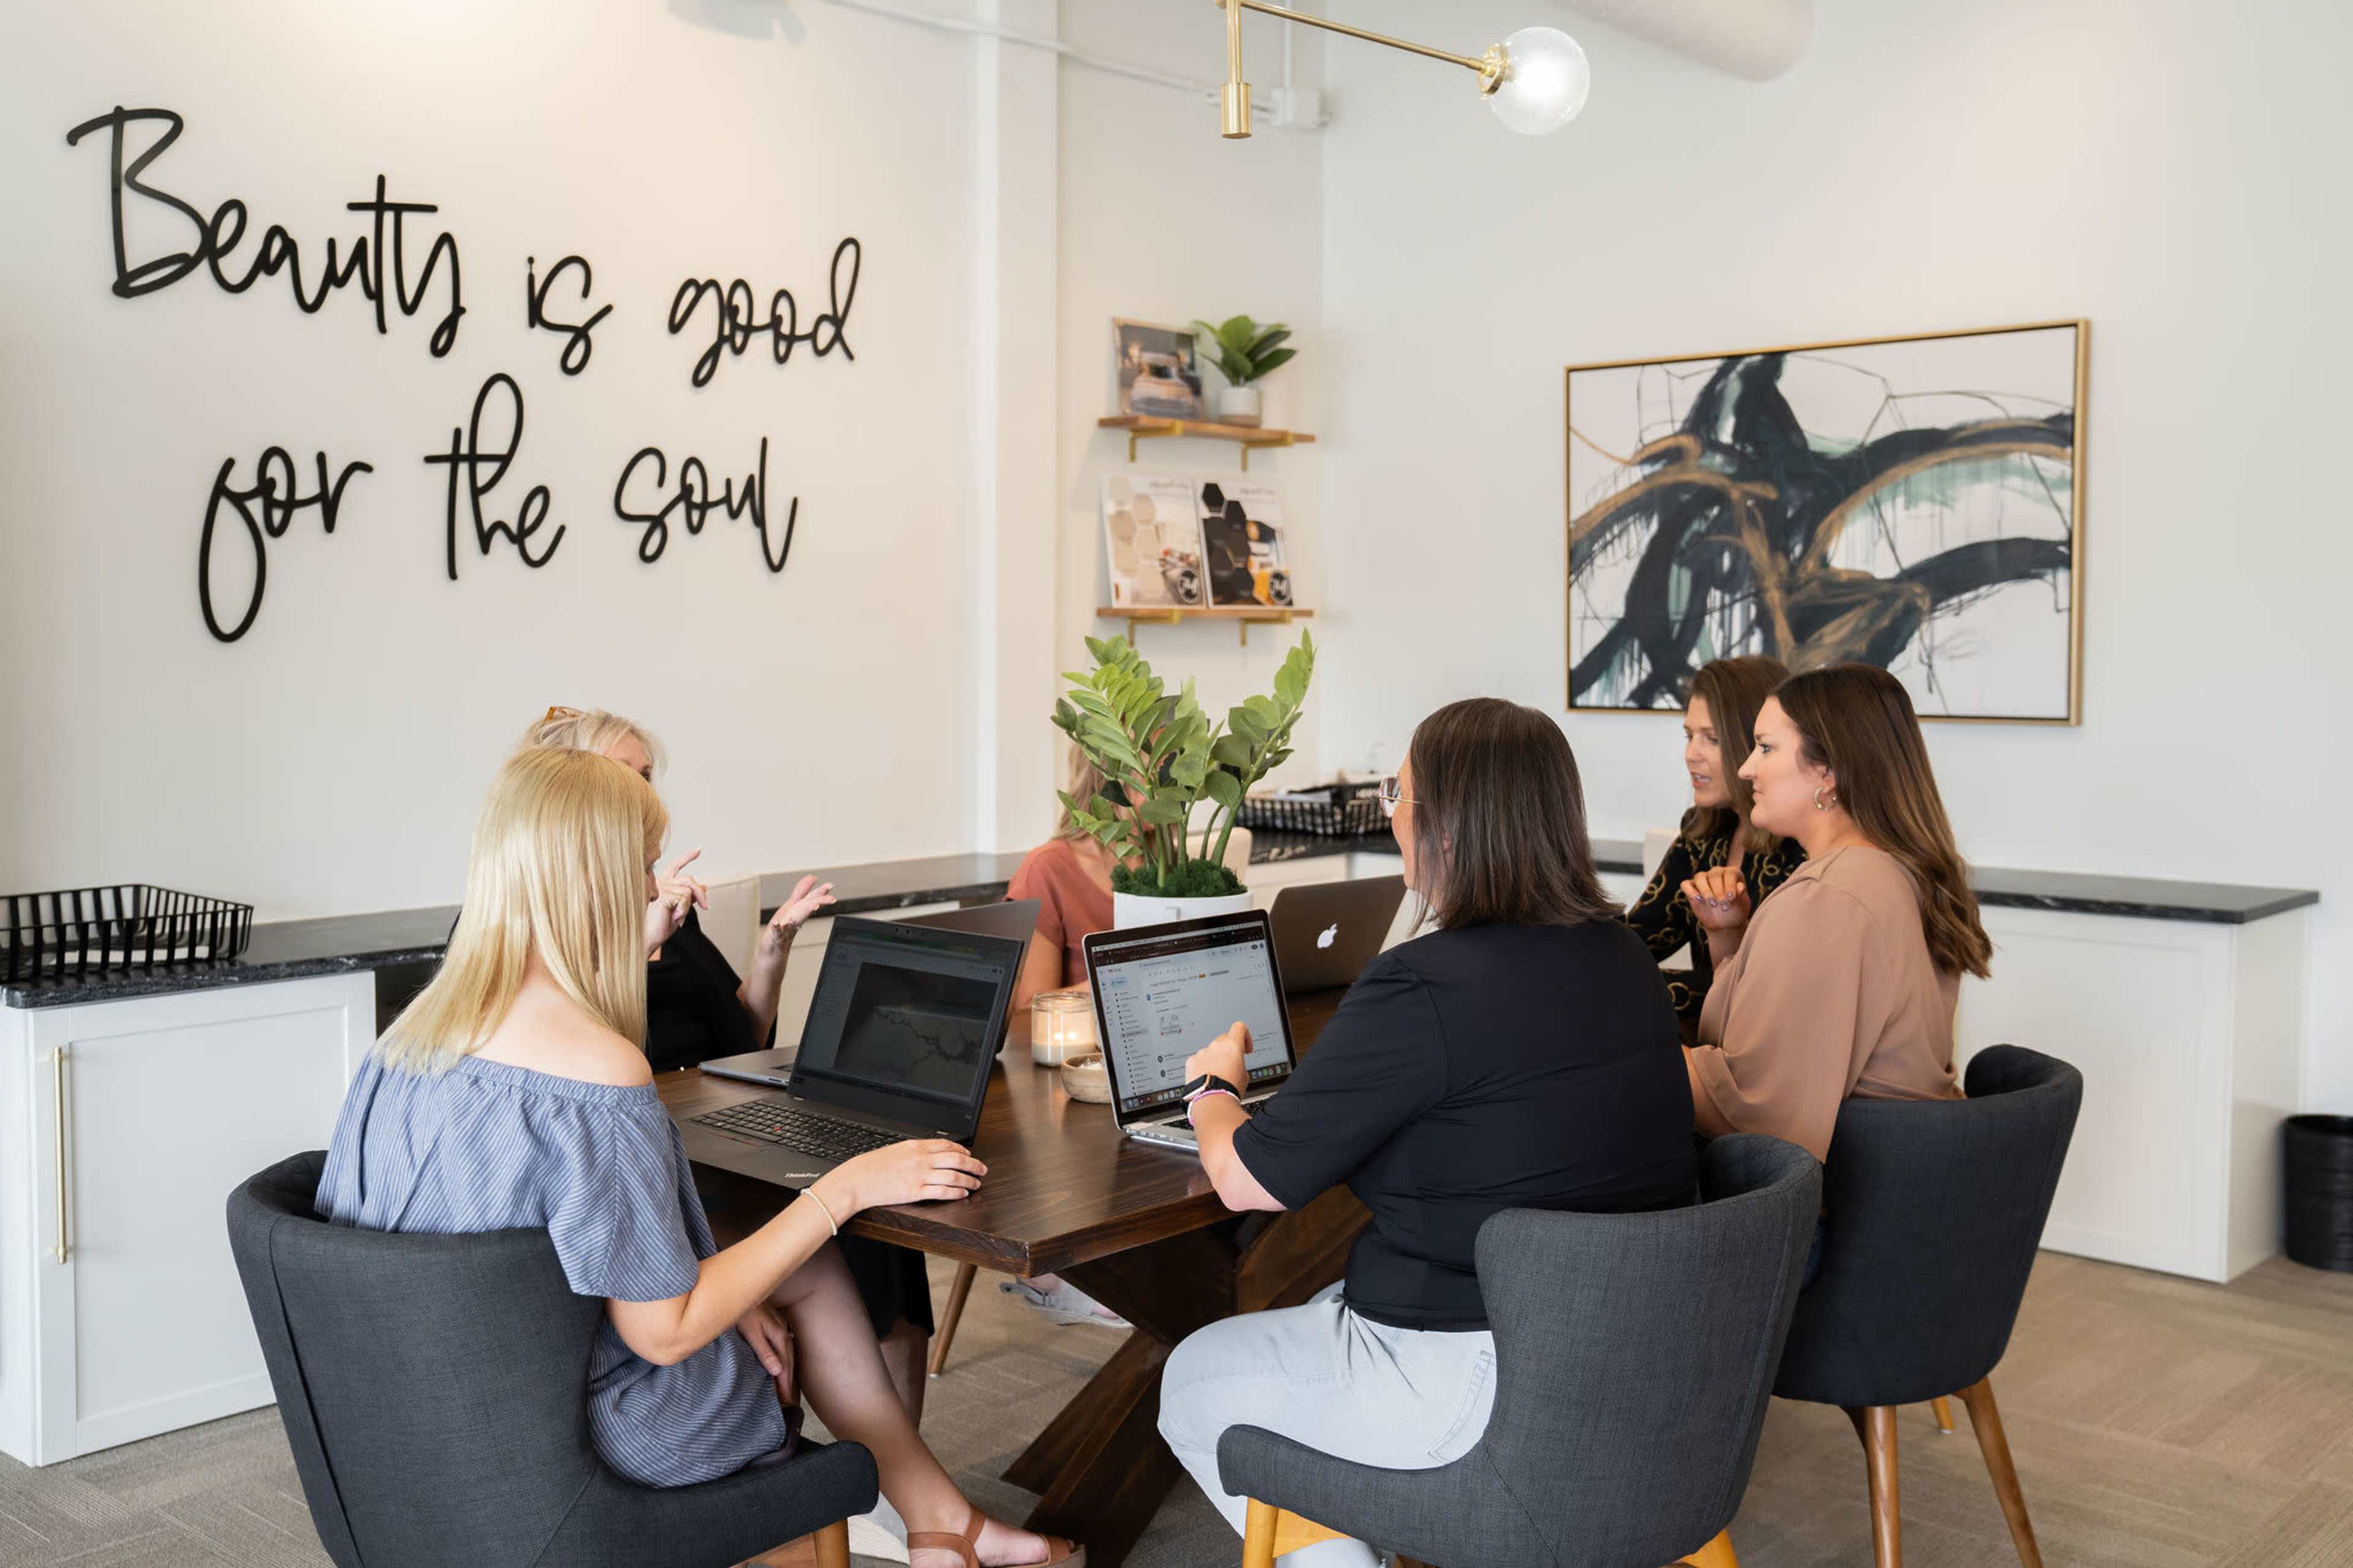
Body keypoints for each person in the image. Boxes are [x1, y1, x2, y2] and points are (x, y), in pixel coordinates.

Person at [317, 749, 1078, 1568]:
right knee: (812, 1251)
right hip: (587, 1446)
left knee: (800, 1264)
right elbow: (666, 1330)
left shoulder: (405, 1040)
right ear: (592, 877)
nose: (653, 889)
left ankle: (940, 1522)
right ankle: (931, 1523)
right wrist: (846, 1185)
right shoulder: (591, 1071)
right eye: (642, 864)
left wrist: (719, 1268)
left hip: (412, 1427)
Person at [1156, 698, 1697, 1568]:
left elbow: (1247, 1180)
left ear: (1444, 823)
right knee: (1307, 1313)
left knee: (1194, 1376)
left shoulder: (1424, 983)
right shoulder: (1625, 955)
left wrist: (1212, 1087)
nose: (1389, 812)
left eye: (1396, 791)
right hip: (1637, 1361)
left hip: (1471, 1376)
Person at [521, 707, 943, 1423]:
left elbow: (740, 1031)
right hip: (667, 1158)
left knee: (882, 1222)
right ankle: (881, 1479)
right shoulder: (567, 945)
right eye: (620, 776)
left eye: (646, 777)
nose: (641, 792)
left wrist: (774, 950)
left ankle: (893, 1474)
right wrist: (637, 945)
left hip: (728, 1124)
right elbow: (597, 1076)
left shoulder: (672, 920)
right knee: (838, 1219)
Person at [1681, 664, 1994, 1168]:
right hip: (1900, 1195)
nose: (1745, 769)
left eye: (1765, 747)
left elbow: (1756, 1119)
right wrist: (1729, 936)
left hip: (1831, 1216)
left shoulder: (1830, 898)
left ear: (1827, 771)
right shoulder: (1898, 873)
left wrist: (1637, 1053)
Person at [999, 743, 1126, 1327]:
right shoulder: (1047, 868)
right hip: (1072, 1083)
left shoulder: (1168, 863)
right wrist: (1120, 984)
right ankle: (1081, 1271)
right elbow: (1028, 1016)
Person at [1622, 656, 1806, 1031]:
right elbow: (1638, 940)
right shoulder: (1702, 834)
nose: (1692, 755)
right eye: (1689, 736)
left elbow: (1770, 992)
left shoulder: (1803, 851)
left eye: (1713, 739)